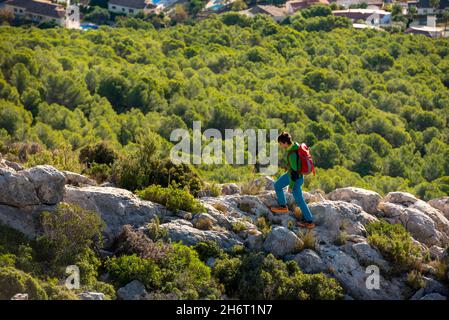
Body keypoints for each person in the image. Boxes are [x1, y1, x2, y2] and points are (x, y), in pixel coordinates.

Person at [270, 132, 315, 229]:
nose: (280, 146)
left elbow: (295, 172)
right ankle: (283, 206)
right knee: (277, 185)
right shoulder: (294, 145)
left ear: (285, 142)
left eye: (281, 144)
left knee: (300, 200)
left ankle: (309, 221)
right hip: (290, 174)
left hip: (296, 179)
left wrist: (290, 187)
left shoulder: (292, 154)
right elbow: (294, 167)